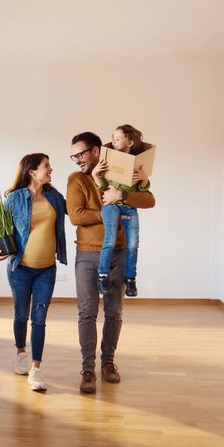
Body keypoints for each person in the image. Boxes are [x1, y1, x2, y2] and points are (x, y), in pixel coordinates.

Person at [66, 132, 155, 394]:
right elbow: (76, 216)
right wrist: (111, 214)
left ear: (96, 151)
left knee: (114, 312)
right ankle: (87, 369)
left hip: (118, 253)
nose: (77, 160)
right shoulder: (76, 179)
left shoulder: (122, 174)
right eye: (74, 155)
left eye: (80, 154)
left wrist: (123, 198)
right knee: (87, 313)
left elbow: (149, 199)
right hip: (87, 254)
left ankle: (108, 363)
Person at [0, 153, 67, 392]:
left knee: (39, 319)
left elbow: (78, 212)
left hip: (47, 270)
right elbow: (1, 230)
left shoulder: (55, 197)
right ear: (32, 171)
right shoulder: (14, 198)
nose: (51, 169)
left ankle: (36, 368)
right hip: (20, 269)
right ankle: (20, 353)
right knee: (20, 314)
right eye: (46, 166)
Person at [95, 124, 153, 298]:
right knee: (110, 239)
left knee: (133, 243)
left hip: (129, 207)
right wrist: (95, 175)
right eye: (113, 137)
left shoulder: (138, 163)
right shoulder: (108, 159)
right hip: (111, 205)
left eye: (118, 138)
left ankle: (130, 279)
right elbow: (104, 190)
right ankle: (102, 275)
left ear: (130, 142)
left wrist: (144, 180)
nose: (113, 140)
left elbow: (142, 193)